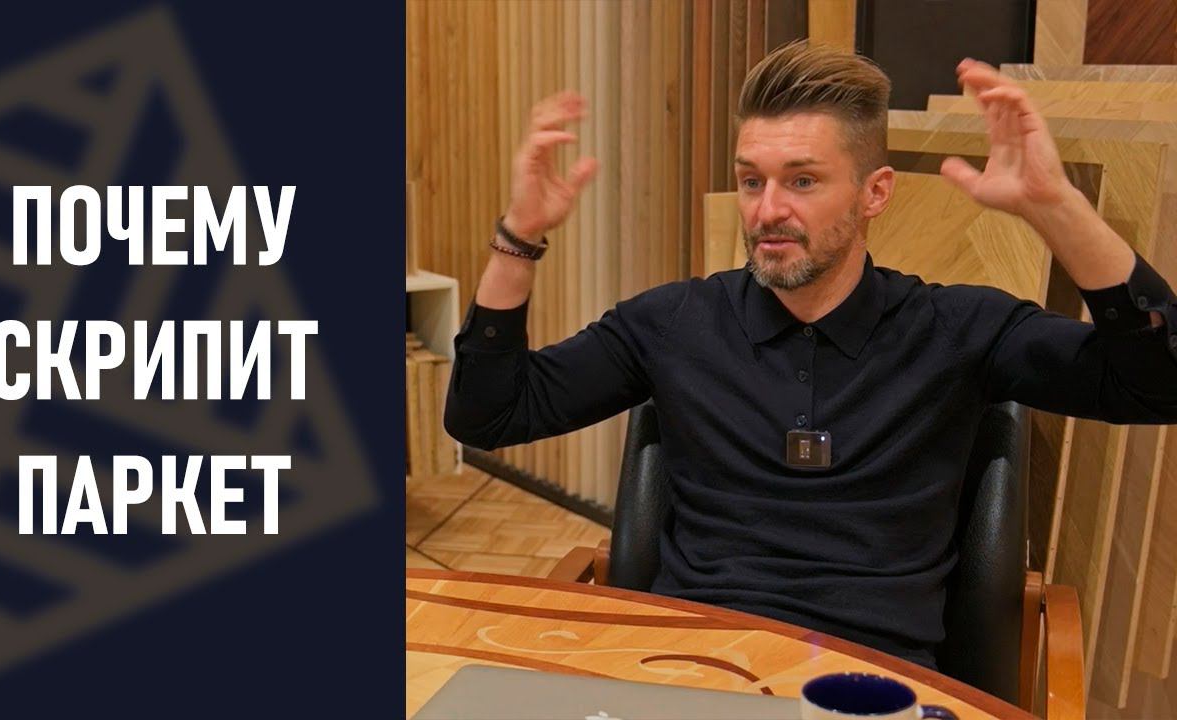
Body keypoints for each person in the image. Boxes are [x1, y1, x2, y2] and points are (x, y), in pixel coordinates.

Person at [442, 41, 1177, 669]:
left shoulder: (958, 327)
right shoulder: (674, 322)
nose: (767, 210)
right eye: (751, 181)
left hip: (873, 683)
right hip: (688, 666)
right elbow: (488, 416)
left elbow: (1159, 384)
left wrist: (1055, 206)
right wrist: (519, 238)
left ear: (874, 192)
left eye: (802, 180)